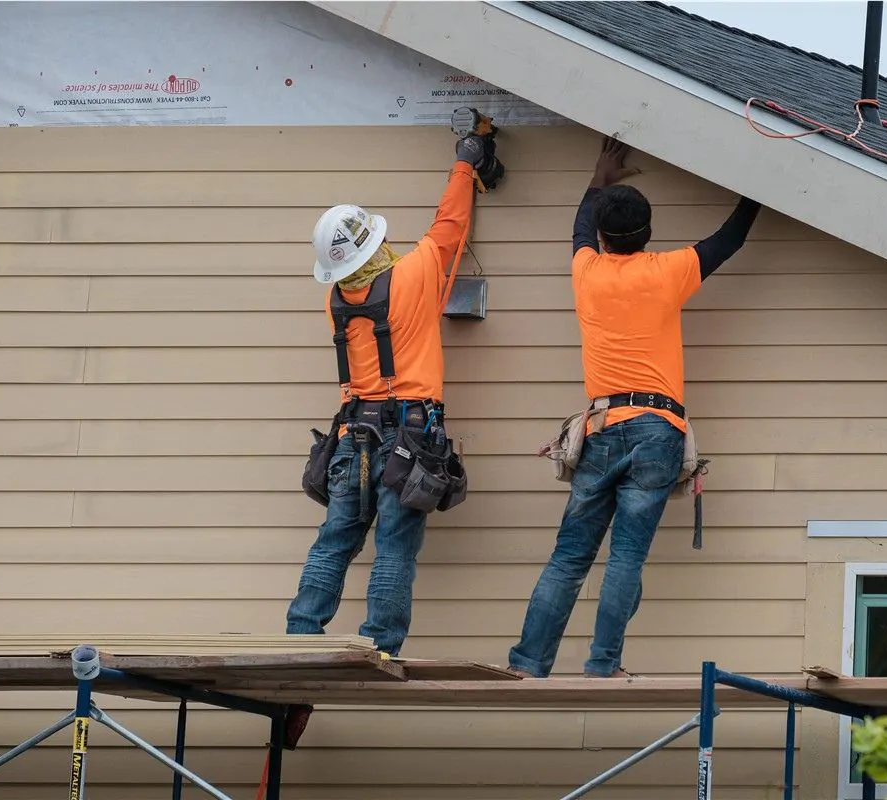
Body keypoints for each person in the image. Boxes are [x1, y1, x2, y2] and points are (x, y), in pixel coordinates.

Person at [508, 136, 762, 679]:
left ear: (603, 237)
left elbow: (579, 227)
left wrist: (599, 176)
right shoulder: (669, 271)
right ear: (648, 234)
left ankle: (529, 664)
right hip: (656, 431)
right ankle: (603, 664)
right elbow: (729, 239)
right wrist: (756, 190)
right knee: (625, 558)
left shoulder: (586, 271)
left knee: (569, 557)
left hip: (600, 428)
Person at [281, 131, 498, 745]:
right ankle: (379, 646)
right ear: (374, 244)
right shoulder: (413, 277)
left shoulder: (336, 301)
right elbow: (448, 227)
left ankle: (301, 637)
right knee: (396, 547)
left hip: (355, 434)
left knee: (337, 540)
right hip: (409, 434)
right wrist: (466, 162)